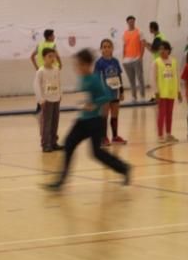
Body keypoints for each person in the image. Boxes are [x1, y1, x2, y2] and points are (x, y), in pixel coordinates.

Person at [45, 50, 130, 190]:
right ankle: (60, 181)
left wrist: (94, 104)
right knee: (69, 144)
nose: (76, 67)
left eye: (79, 64)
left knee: (96, 153)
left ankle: (124, 168)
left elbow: (106, 96)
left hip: (94, 122)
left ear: (87, 65)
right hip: (82, 121)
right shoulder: (82, 78)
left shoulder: (95, 79)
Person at [95, 39, 127, 146]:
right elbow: (96, 79)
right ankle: (103, 138)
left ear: (112, 48)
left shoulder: (115, 61)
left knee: (115, 114)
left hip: (115, 91)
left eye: (109, 46)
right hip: (105, 93)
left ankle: (115, 137)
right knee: (104, 115)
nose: (107, 48)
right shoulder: (99, 63)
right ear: (101, 49)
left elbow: (119, 76)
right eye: (104, 47)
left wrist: (121, 91)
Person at [33, 48, 62, 153]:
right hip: (46, 100)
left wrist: (60, 95)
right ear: (44, 57)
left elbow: (58, 83)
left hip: (56, 99)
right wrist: (41, 99)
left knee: (55, 122)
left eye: (53, 56)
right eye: (50, 56)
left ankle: (54, 142)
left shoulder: (56, 69)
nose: (52, 58)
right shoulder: (40, 71)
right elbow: (36, 86)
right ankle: (46, 144)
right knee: (46, 123)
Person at [151, 41, 179, 144]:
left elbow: (176, 76)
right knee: (161, 114)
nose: (162, 51)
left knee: (169, 114)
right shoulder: (156, 62)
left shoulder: (174, 61)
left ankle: (168, 134)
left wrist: (178, 91)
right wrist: (156, 92)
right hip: (161, 93)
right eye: (160, 49)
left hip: (171, 92)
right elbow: (153, 79)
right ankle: (160, 135)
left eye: (164, 49)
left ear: (168, 50)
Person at [121, 16, 145, 102]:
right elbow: (124, 46)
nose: (131, 22)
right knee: (131, 80)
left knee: (140, 78)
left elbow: (143, 44)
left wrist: (141, 57)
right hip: (127, 60)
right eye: (130, 21)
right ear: (127, 22)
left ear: (134, 21)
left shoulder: (139, 32)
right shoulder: (125, 33)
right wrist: (123, 58)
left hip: (137, 58)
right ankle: (134, 97)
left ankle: (142, 96)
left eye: (133, 21)